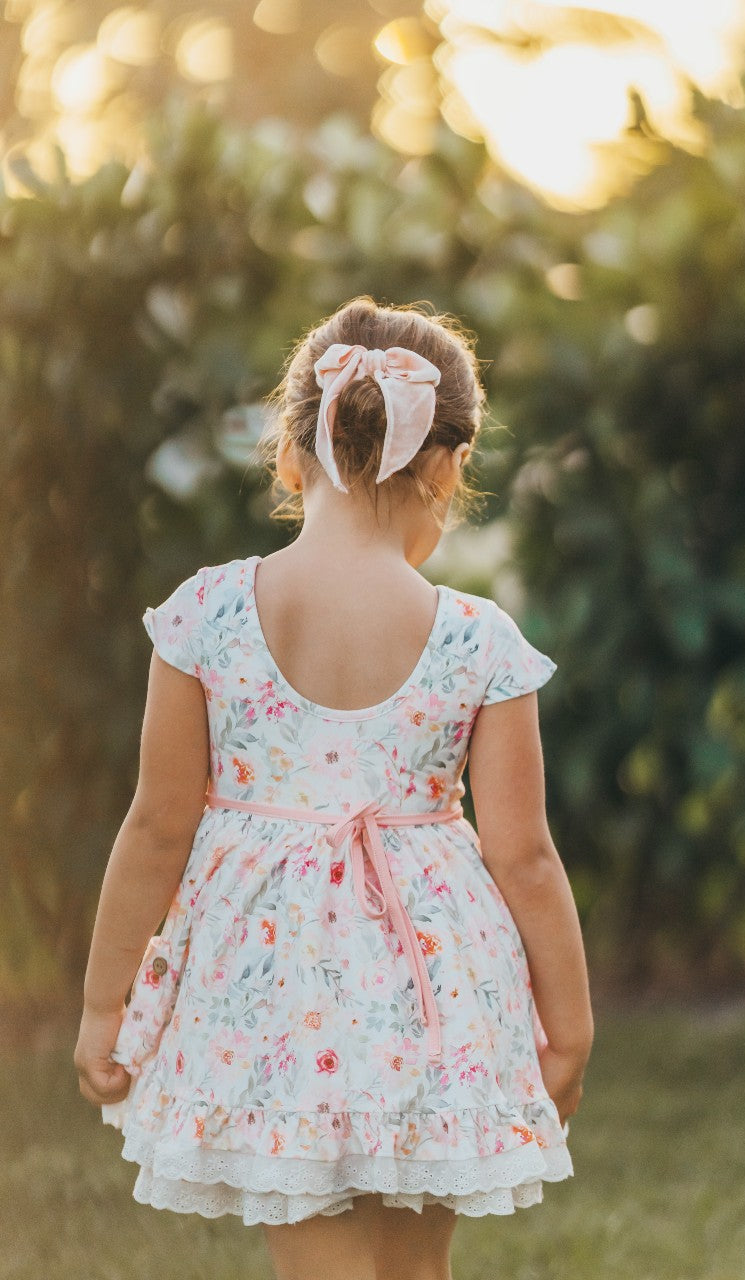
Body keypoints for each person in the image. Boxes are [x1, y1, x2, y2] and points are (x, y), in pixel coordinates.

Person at [74, 295, 594, 1280]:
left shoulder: (209, 615)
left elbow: (155, 827)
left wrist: (106, 1008)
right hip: (433, 992)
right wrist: (567, 1023)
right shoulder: (480, 640)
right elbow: (523, 856)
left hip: (275, 996)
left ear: (291, 454)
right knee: (413, 1269)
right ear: (446, 468)